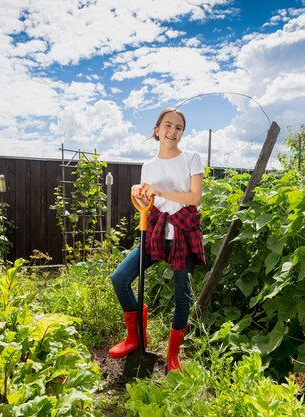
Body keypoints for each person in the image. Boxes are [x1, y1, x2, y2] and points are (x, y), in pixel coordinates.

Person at [108, 108, 206, 373]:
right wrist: (139, 195)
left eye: (178, 128)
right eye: (168, 126)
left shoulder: (192, 159)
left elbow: (195, 198)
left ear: (182, 133)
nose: (173, 132)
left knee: (181, 296)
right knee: (119, 278)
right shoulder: (148, 166)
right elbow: (147, 204)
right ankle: (135, 337)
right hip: (156, 232)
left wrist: (160, 190)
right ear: (157, 129)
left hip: (183, 234)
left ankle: (173, 356)